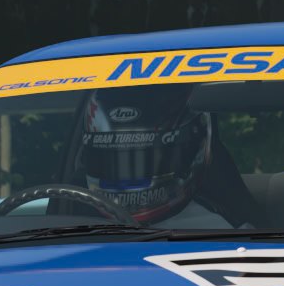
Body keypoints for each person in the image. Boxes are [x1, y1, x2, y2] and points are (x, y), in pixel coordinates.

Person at [69, 90, 243, 228]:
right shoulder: (66, 224)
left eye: (150, 160)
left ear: (192, 150)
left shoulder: (233, 239)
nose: (128, 175)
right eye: (107, 161)